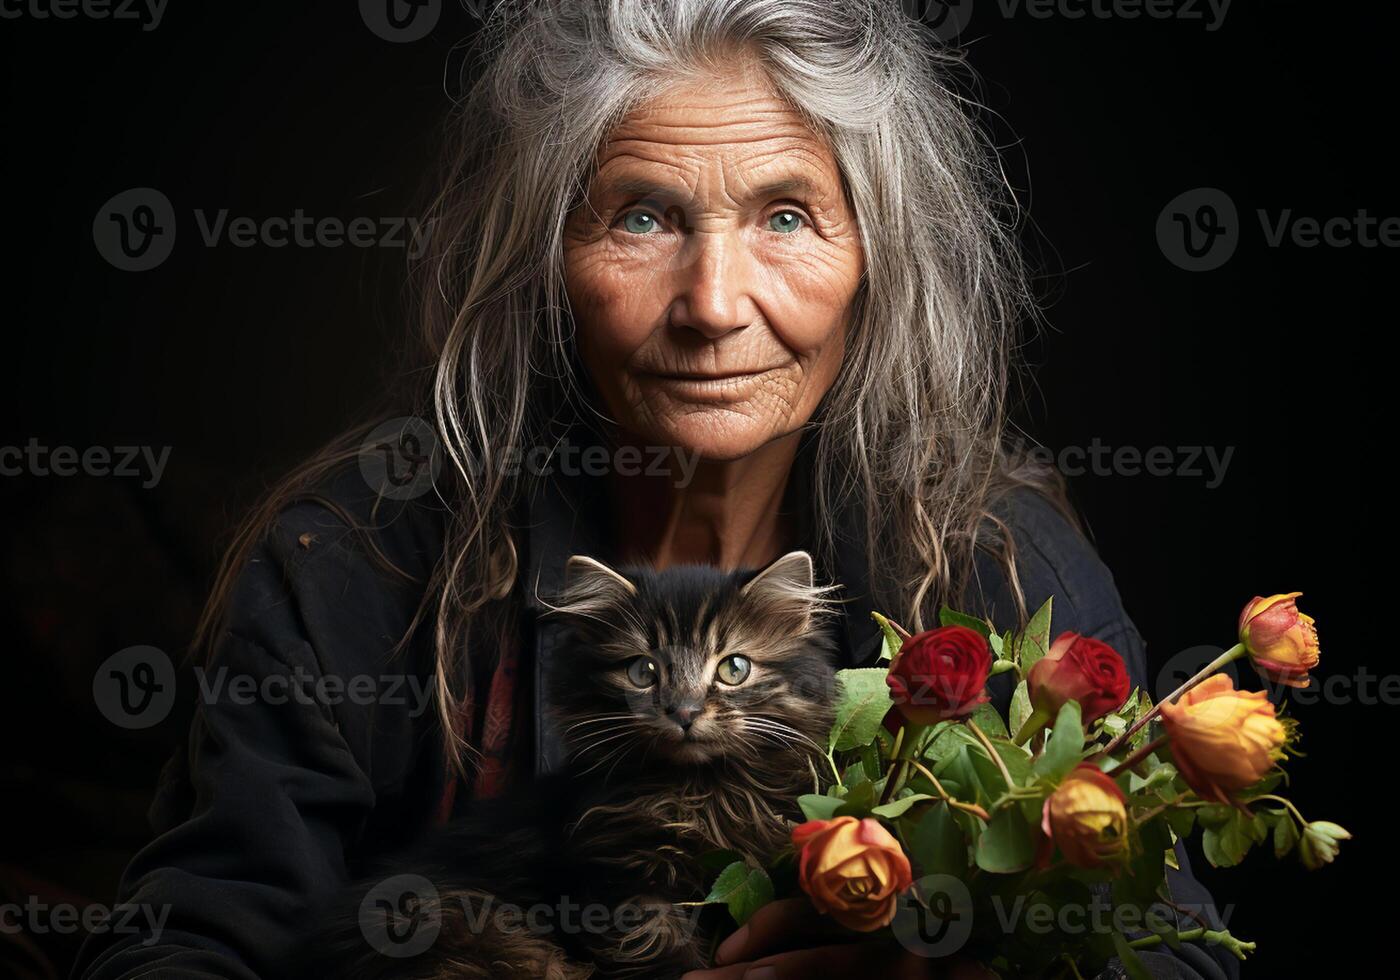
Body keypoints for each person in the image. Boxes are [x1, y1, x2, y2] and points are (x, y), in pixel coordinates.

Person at [75, 2, 1239, 977]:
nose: (712, 303)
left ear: (874, 261)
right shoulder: (360, 551)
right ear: (549, 261)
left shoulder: (994, 553)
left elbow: (1170, 947)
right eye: (642, 215)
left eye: (786, 215)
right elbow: (188, 947)